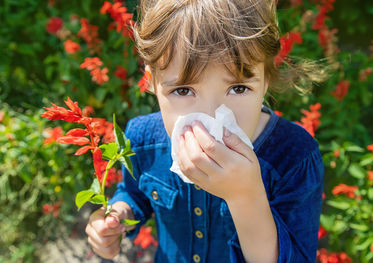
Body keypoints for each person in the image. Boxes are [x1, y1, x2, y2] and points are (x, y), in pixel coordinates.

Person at [85, 0, 325, 262]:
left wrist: (245, 195)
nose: (212, 116)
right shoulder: (142, 140)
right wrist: (119, 217)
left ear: (266, 79)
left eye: (238, 88)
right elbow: (135, 193)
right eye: (184, 90)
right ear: (151, 81)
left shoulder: (295, 157)